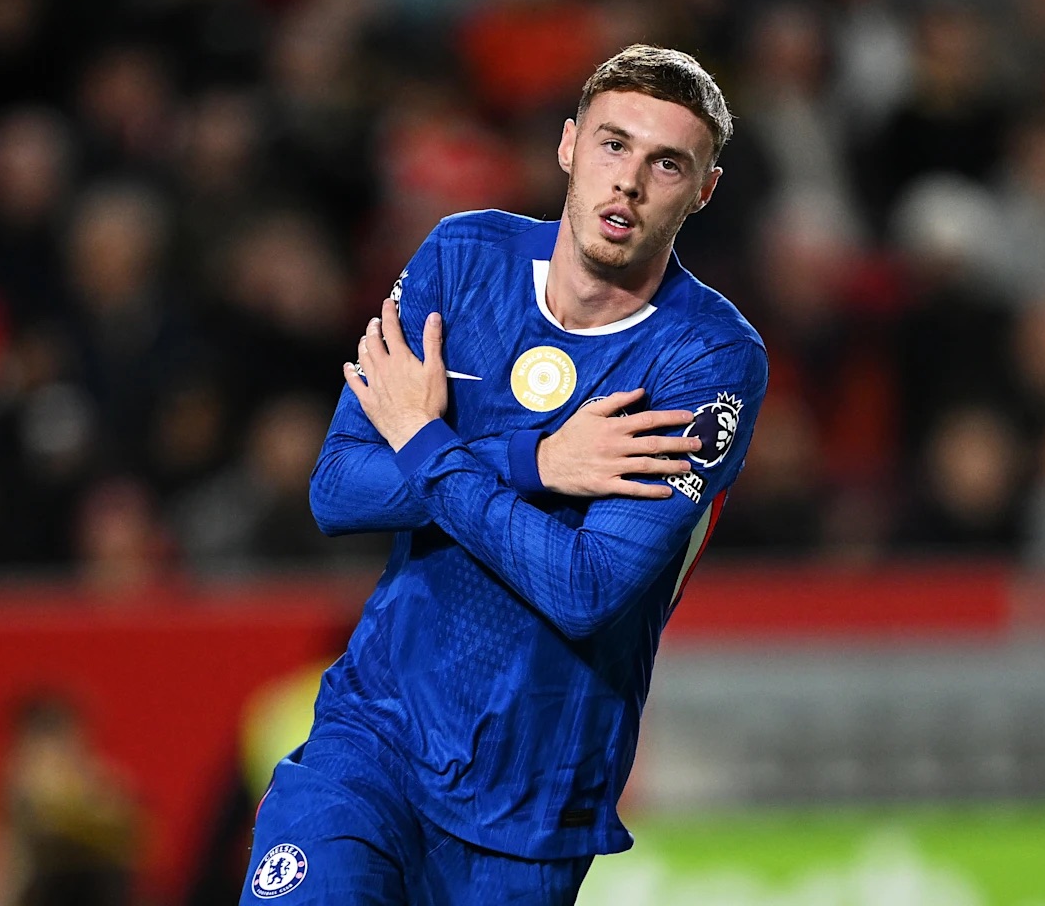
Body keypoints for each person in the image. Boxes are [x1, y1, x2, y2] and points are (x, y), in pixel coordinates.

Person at [240, 45, 768, 905]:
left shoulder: (706, 358)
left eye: (666, 163)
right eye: (612, 144)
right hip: (373, 737)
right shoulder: (462, 259)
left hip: (532, 796)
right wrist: (536, 460)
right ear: (568, 145)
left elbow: (586, 587)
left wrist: (426, 443)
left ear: (702, 190)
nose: (629, 182)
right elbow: (338, 487)